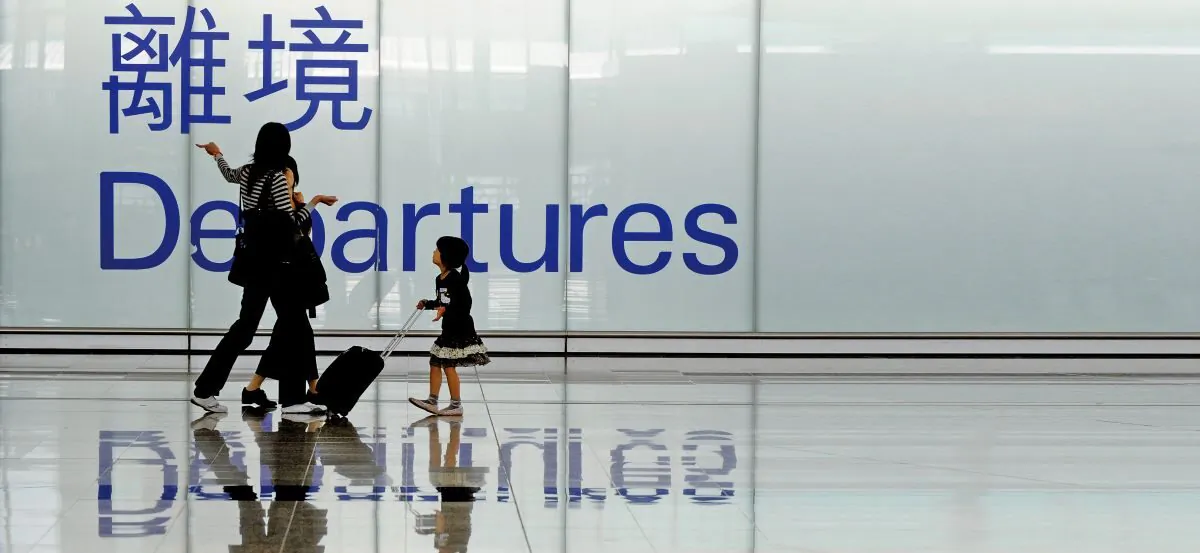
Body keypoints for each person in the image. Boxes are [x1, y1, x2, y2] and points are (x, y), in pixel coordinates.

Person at [190, 122, 337, 415]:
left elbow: (227, 173)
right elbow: (292, 223)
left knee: (245, 329)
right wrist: (314, 202)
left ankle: (205, 389)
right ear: (284, 148)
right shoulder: (277, 178)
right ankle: (294, 400)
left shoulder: (247, 172)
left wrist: (216, 153)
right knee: (294, 324)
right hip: (278, 265)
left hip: (253, 263)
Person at [409, 237, 490, 417]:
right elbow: (442, 301)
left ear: (446, 255)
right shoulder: (440, 278)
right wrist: (428, 304)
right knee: (436, 361)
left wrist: (446, 309)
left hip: (460, 327)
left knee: (447, 364)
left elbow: (465, 303)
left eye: (437, 249)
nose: (433, 252)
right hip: (450, 326)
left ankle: (455, 404)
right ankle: (433, 400)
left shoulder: (455, 278)